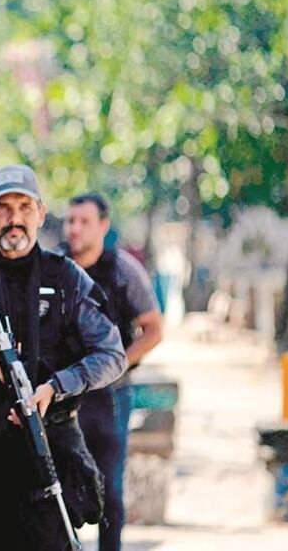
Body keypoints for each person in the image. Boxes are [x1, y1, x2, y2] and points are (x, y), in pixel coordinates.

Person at [0, 164, 125, 550]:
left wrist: (56, 387)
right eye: (3, 208)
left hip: (48, 447)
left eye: (24, 207)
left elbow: (111, 354)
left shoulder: (67, 280)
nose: (15, 219)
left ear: (41, 214)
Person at [63, 192, 163, 551]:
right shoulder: (55, 268)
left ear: (103, 226)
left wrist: (120, 364)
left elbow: (154, 329)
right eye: (70, 221)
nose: (75, 229)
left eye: (84, 221)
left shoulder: (122, 270)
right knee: (57, 490)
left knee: (109, 491)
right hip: (60, 394)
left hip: (110, 397)